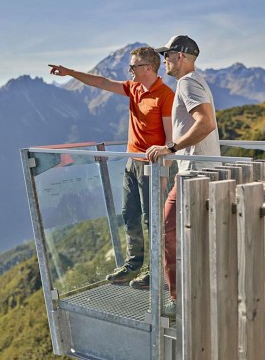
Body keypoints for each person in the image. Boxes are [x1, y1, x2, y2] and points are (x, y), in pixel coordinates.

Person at [49, 46, 174, 290]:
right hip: (131, 162)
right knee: (130, 215)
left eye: (134, 66)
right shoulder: (134, 88)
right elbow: (102, 82)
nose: (130, 71)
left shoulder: (165, 96)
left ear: (148, 68)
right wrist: (69, 72)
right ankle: (133, 265)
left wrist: (163, 172)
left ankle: (155, 271)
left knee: (153, 220)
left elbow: (170, 141)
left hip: (152, 167)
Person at [146, 35, 220, 318]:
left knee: (167, 230)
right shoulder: (193, 82)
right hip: (202, 171)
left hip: (194, 173)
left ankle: (178, 301)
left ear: (181, 56)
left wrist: (171, 148)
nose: (164, 59)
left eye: (167, 54)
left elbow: (207, 122)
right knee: (195, 234)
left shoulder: (188, 83)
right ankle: (200, 293)